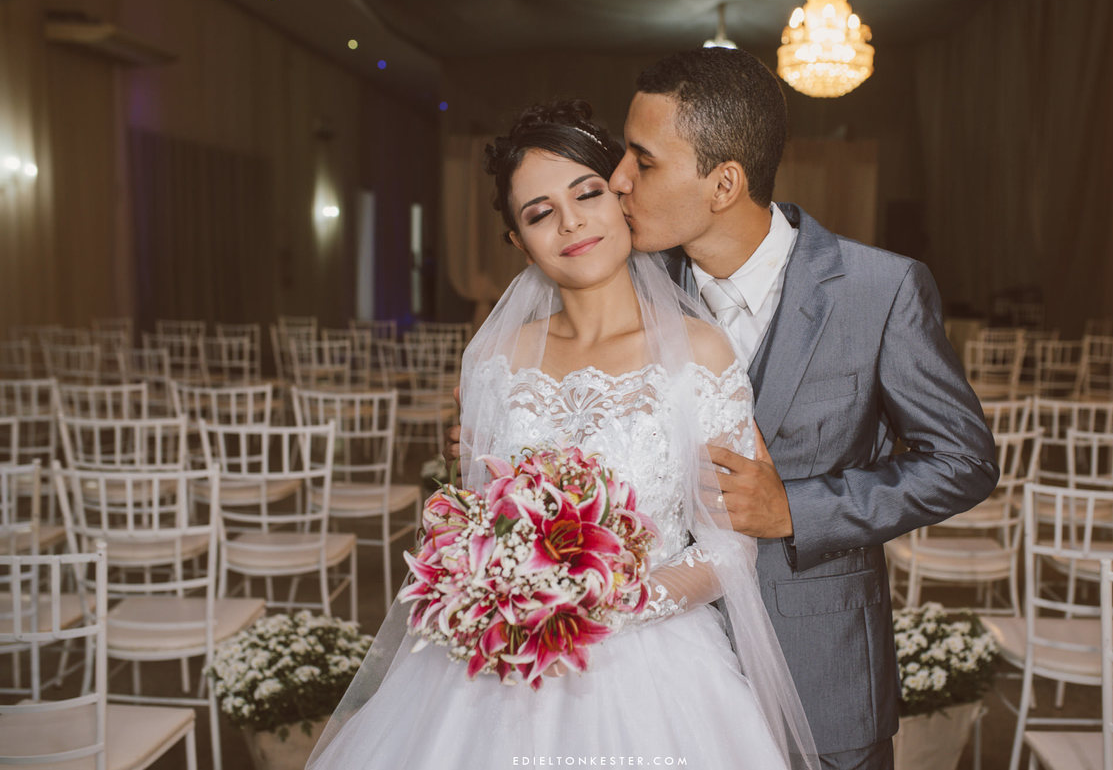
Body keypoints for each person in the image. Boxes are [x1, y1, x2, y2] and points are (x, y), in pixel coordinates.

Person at [308, 100, 820, 770]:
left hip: (655, 672)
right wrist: (493, 586)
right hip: (497, 667)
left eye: (588, 193)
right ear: (519, 242)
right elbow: (477, 522)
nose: (571, 221)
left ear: (622, 199)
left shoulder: (700, 353)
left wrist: (604, 604)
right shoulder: (494, 359)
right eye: (539, 212)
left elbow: (730, 549)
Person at [605, 47, 1000, 769]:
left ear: (724, 182)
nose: (617, 181)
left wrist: (798, 510)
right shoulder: (623, 293)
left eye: (643, 160)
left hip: (823, 674)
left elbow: (965, 461)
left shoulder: (880, 290)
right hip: (658, 679)